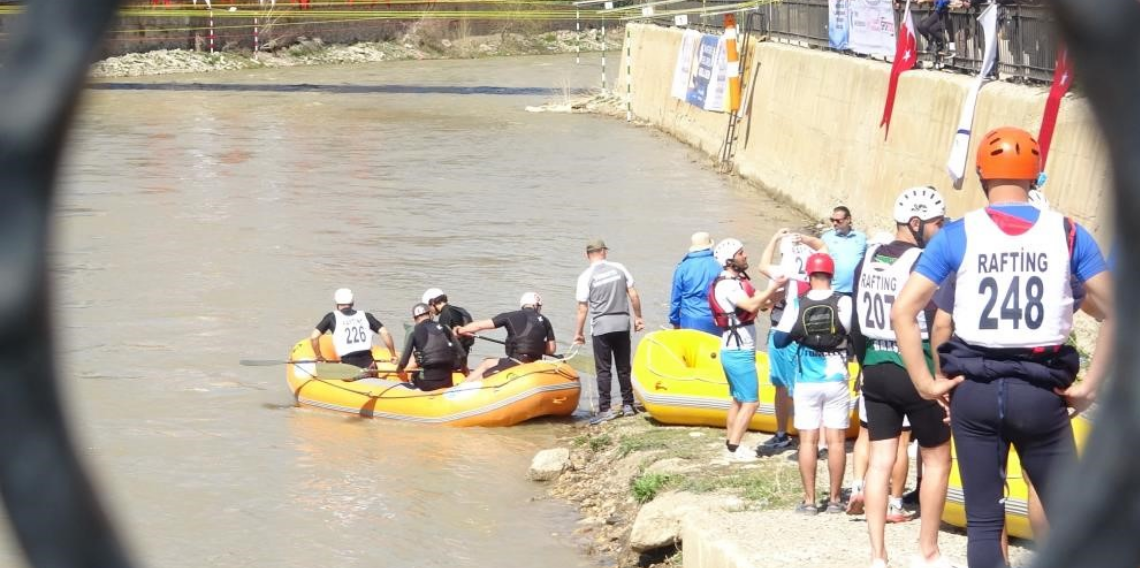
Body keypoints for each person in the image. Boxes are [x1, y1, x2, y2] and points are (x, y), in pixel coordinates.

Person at [892, 126, 1113, 568]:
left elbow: (905, 310)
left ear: (980, 175)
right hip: (1041, 389)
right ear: (1036, 175)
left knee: (985, 521)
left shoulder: (958, 234)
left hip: (973, 387)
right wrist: (1090, 385)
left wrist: (925, 382)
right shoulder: (1068, 234)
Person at [851, 186, 952, 568]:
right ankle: (928, 551)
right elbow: (936, 322)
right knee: (937, 459)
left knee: (880, 461)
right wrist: (940, 375)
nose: (941, 230)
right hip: (916, 367)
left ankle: (878, 555)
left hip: (875, 367)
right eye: (938, 223)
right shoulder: (924, 261)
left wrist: (864, 368)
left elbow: (856, 321)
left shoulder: (868, 256)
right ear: (916, 223)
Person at [772, 253, 852, 515]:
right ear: (832, 275)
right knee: (837, 441)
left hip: (806, 379)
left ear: (808, 276)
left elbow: (779, 341)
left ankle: (809, 501)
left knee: (807, 442)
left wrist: (800, 332)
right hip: (837, 377)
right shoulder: (844, 303)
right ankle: (835, 500)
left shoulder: (797, 304)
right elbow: (856, 337)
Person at [709, 238, 787, 462]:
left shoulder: (736, 282)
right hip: (737, 350)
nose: (746, 256)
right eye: (741, 253)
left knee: (738, 400)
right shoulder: (727, 284)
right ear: (729, 260)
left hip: (736, 349)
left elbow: (761, 303)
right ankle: (734, 448)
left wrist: (784, 290)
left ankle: (730, 442)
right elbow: (752, 306)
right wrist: (772, 286)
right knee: (752, 402)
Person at [757, 228, 827, 451]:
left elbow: (762, 266)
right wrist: (806, 239)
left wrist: (774, 238)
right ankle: (816, 439)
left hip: (786, 334)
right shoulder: (815, 274)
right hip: (800, 333)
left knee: (788, 386)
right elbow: (823, 247)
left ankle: (789, 434)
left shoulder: (785, 274)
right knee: (794, 386)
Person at [573, 239, 646, 425]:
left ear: (587, 255)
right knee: (623, 366)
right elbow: (634, 295)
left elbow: (583, 308)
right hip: (622, 323)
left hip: (601, 327)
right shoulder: (619, 268)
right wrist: (638, 317)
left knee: (603, 369)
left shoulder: (585, 276)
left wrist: (578, 333)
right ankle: (628, 405)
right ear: (604, 252)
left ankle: (605, 409)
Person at [457, 292, 556, 382]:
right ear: (535, 306)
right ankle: (462, 386)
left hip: (516, 362)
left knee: (479, 380)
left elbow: (480, 325)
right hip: (534, 365)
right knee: (487, 363)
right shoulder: (546, 321)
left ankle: (463, 387)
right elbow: (551, 349)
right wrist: (535, 345)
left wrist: (461, 330)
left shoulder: (509, 316)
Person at [310, 288, 396, 369]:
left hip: (348, 366)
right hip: (369, 364)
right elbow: (385, 333)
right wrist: (393, 355)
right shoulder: (366, 316)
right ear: (352, 303)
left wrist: (319, 356)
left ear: (336, 303)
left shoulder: (332, 317)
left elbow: (314, 337)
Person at [396, 303, 462, 392]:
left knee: (414, 376)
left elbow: (403, 362)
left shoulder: (413, 330)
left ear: (414, 319)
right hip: (447, 381)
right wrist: (464, 369)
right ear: (430, 314)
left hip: (428, 383)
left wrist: (398, 371)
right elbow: (463, 354)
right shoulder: (445, 327)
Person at [669, 231, 722, 335]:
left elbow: (675, 299)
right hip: (715, 320)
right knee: (713, 350)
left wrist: (674, 321)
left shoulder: (683, 267)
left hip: (689, 320)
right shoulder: (719, 265)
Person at [422, 288, 475, 373]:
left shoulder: (445, 315)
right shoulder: (460, 310)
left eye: (428, 307)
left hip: (453, 361)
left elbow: (441, 343)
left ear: (432, 303)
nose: (429, 311)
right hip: (464, 357)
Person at [821, 205, 868, 297]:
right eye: (832, 220)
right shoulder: (826, 238)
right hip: (834, 290)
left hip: (857, 290)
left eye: (838, 220)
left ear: (848, 219)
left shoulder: (862, 238)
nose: (835, 223)